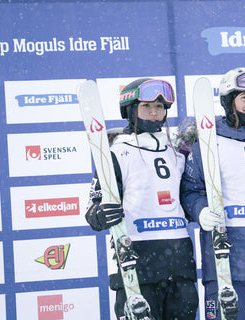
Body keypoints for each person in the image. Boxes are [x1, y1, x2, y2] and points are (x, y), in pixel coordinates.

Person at [85, 78, 198, 320]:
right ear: (130, 110)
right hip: (137, 258)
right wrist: (100, 214)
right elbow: (93, 209)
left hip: (180, 259)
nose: (155, 113)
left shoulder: (178, 150)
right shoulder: (116, 152)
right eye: (146, 107)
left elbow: (188, 196)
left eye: (159, 108)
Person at [181, 68, 245, 320]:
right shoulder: (208, 144)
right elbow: (190, 190)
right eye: (244, 97)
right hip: (225, 260)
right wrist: (200, 210)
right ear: (229, 102)